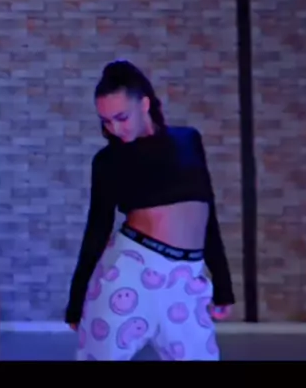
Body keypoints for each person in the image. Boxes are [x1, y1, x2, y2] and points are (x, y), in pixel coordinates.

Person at [65, 60, 236, 361]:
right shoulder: (108, 161)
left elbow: (207, 217)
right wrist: (76, 299)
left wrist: (223, 284)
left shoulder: (189, 140)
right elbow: (97, 228)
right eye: (106, 121)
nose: (115, 128)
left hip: (187, 277)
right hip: (131, 270)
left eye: (122, 117)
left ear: (144, 104)